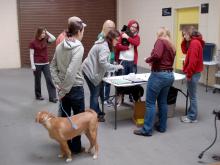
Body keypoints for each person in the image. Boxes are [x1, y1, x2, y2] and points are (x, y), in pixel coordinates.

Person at [50, 16, 86, 154]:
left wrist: (59, 85)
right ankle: (75, 148)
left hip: (63, 90)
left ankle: (66, 146)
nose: (83, 34)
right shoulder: (79, 47)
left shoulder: (60, 45)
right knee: (78, 120)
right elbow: (71, 73)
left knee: (65, 120)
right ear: (78, 31)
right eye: (82, 31)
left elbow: (52, 66)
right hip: (74, 89)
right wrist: (63, 90)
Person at [133, 27, 176, 136]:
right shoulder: (172, 45)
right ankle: (162, 127)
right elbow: (165, 59)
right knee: (162, 102)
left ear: (160, 34)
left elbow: (157, 55)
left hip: (158, 76)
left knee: (150, 103)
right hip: (169, 75)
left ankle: (146, 130)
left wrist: (148, 60)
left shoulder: (160, 41)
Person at [82, 29, 124, 122]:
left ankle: (97, 112)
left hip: (90, 69)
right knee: (95, 94)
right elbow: (103, 64)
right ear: (111, 38)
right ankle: (93, 117)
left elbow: (102, 59)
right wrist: (116, 67)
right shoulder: (104, 47)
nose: (118, 42)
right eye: (116, 39)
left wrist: (112, 63)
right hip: (91, 72)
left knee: (97, 92)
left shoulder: (104, 43)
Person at [180, 26, 204, 123]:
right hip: (195, 73)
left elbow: (193, 62)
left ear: (189, 33)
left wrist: (189, 74)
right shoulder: (195, 42)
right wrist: (184, 40)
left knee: (192, 96)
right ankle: (191, 114)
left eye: (184, 34)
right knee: (192, 95)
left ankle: (192, 117)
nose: (184, 36)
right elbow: (185, 51)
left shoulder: (194, 43)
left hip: (193, 73)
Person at [29, 27, 57, 103]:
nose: (44, 34)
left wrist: (47, 31)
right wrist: (32, 65)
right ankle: (38, 95)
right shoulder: (33, 42)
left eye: (44, 33)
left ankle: (52, 97)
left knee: (49, 79)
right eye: (42, 33)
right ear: (38, 33)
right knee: (37, 80)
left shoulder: (46, 40)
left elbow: (53, 38)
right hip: (37, 64)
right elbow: (31, 54)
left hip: (46, 63)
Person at [115, 19, 140, 102]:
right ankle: (120, 97)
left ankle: (131, 96)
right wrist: (126, 47)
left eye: (135, 27)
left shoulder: (136, 36)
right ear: (129, 26)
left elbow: (136, 43)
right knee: (121, 80)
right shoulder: (122, 34)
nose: (133, 28)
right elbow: (117, 46)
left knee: (132, 81)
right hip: (123, 61)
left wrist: (127, 38)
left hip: (132, 62)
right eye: (132, 26)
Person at [97, 20, 116, 106]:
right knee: (103, 81)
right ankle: (103, 98)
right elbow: (103, 52)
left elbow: (111, 48)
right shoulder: (101, 36)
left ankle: (106, 98)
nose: (112, 29)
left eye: (113, 27)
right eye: (110, 27)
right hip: (105, 62)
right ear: (105, 27)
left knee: (108, 80)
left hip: (110, 59)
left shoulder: (110, 35)